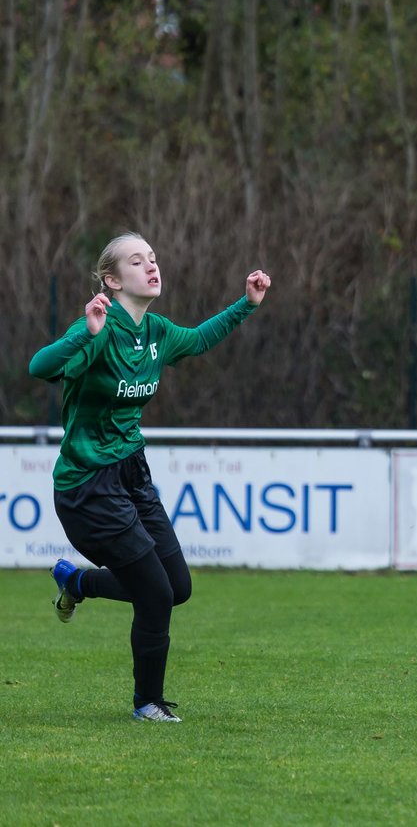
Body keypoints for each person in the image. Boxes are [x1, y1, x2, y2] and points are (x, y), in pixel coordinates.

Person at [30, 231, 271, 722]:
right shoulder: (98, 331)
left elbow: (200, 339)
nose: (151, 266)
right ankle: (147, 704)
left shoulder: (156, 331)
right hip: (87, 487)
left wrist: (246, 304)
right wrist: (85, 330)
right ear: (112, 280)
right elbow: (39, 366)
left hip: (132, 475)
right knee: (156, 593)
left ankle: (77, 583)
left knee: (176, 587)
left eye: (153, 258)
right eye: (137, 261)